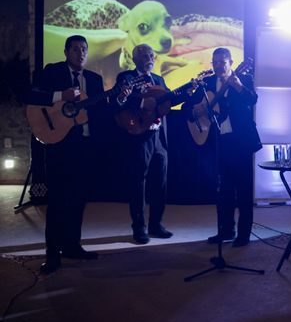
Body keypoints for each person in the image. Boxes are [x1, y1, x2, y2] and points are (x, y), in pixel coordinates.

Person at [29, 35, 103, 274]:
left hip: (84, 147)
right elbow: (31, 97)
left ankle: (72, 245)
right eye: (75, 49)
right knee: (58, 201)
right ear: (65, 52)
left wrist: (118, 99)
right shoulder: (53, 72)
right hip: (59, 145)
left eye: (84, 49)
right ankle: (52, 255)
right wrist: (62, 96)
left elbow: (100, 111)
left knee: (78, 200)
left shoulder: (94, 79)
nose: (80, 53)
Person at [185, 47, 262, 247]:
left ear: (231, 63)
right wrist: (197, 109)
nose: (218, 65)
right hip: (219, 142)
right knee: (223, 189)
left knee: (243, 190)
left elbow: (253, 100)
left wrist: (238, 86)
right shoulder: (208, 83)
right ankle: (226, 230)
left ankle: (243, 234)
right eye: (215, 62)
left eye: (222, 62)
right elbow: (189, 108)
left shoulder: (243, 79)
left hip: (241, 141)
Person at [115, 44, 183, 244]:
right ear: (135, 59)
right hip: (139, 136)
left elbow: (169, 102)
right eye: (144, 55)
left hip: (159, 138)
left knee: (160, 183)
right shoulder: (126, 78)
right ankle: (139, 228)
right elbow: (119, 104)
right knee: (138, 183)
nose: (149, 58)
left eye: (151, 55)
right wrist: (132, 99)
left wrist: (187, 91)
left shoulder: (159, 80)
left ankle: (156, 224)